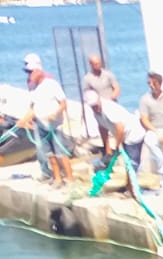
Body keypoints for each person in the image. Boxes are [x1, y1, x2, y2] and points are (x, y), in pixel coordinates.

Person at [16, 54, 72, 187]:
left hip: (54, 125)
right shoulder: (33, 87)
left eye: (30, 72)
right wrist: (24, 120)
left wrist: (55, 114)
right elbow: (33, 108)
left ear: (38, 71)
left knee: (60, 153)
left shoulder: (51, 84)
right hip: (41, 125)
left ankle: (70, 180)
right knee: (49, 154)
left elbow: (63, 103)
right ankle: (57, 178)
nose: (29, 75)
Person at [82, 52, 120, 155]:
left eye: (98, 63)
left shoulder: (108, 75)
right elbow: (87, 93)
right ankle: (107, 149)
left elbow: (116, 87)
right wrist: (94, 103)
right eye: (95, 64)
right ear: (91, 64)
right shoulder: (87, 79)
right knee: (102, 127)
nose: (97, 66)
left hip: (110, 103)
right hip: (98, 107)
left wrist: (113, 97)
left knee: (117, 125)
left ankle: (119, 146)